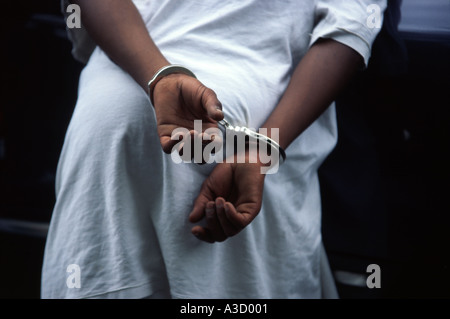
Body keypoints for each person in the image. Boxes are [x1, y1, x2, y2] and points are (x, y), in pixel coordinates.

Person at [41, 0, 386, 298]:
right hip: (242, 135)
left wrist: (161, 76)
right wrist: (262, 148)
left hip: (113, 117)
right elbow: (348, 28)